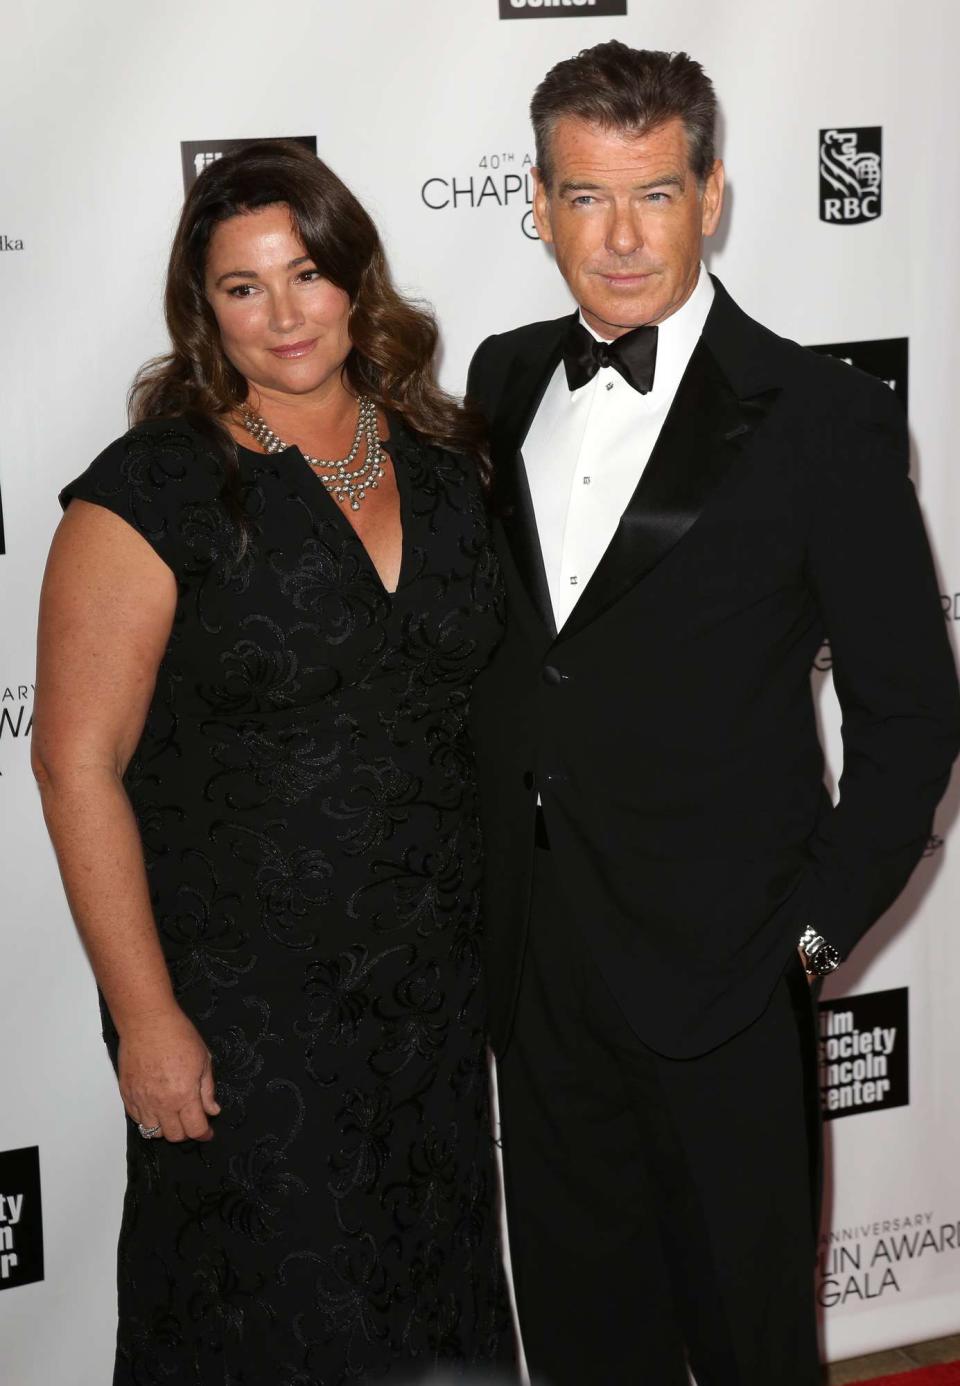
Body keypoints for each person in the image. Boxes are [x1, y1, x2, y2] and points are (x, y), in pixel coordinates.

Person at [466, 42, 960, 1386]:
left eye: (655, 196)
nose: (619, 239)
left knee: (749, 1342)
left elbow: (913, 714)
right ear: (537, 199)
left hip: (728, 970)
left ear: (715, 193)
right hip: (541, 963)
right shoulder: (504, 380)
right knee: (580, 1335)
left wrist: (807, 939)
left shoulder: (824, 417)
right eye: (584, 197)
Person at [32, 140, 510, 1384]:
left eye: (307, 274)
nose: (285, 314)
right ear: (205, 312)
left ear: (357, 282)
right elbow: (75, 763)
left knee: (431, 1307)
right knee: (262, 1323)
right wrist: (146, 1021)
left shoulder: (451, 463)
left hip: (432, 1002)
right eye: (244, 288)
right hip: (247, 1020)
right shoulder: (154, 492)